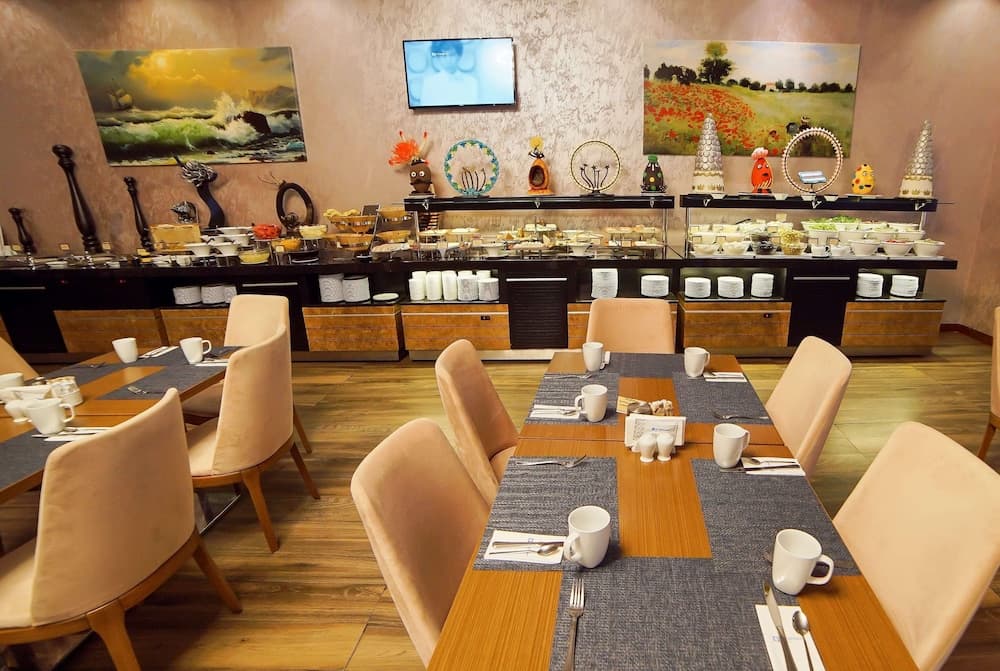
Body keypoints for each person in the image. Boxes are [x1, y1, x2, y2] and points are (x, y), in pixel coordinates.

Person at [420, 41, 479, 106]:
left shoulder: (471, 82)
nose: (448, 59)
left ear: (459, 56)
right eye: (444, 55)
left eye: (452, 54)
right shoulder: (429, 83)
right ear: (438, 57)